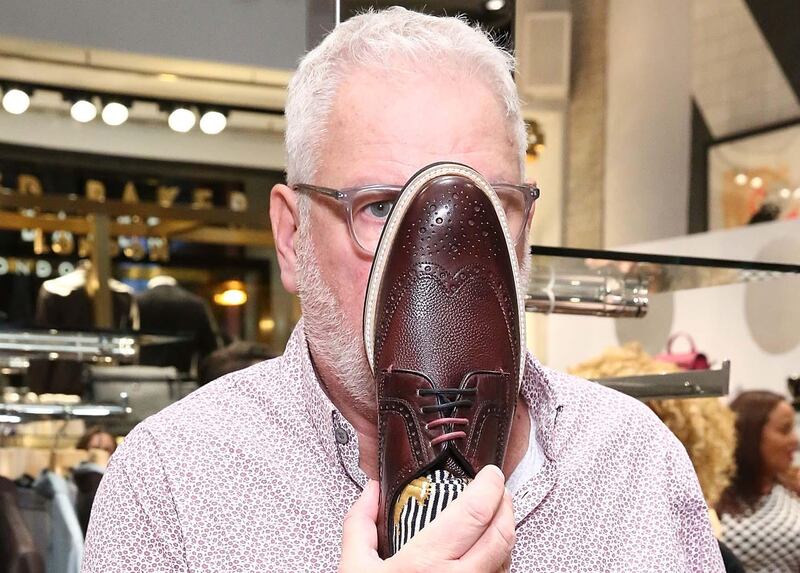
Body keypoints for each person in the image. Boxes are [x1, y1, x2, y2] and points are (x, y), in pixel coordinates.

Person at [83, 8, 724, 571]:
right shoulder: (170, 481)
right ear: (291, 236)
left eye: (488, 206)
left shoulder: (635, 462)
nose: (437, 265)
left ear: (525, 227)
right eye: (381, 206)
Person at [718, 391, 800, 572]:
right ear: (751, 435)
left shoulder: (793, 490)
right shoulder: (713, 496)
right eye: (785, 429)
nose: (795, 440)